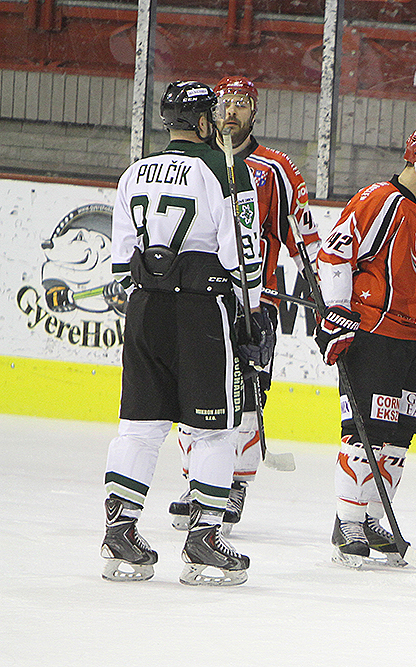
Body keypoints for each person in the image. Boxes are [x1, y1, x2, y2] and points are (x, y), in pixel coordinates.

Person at [101, 80, 271, 586]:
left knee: (139, 426)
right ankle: (204, 539)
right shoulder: (226, 169)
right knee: (213, 429)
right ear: (202, 122)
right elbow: (244, 256)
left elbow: (121, 263)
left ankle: (119, 532)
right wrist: (250, 314)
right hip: (201, 315)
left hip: (144, 310)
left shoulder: (135, 172)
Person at [168, 75, 321, 535]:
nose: (232, 111)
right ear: (212, 111)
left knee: (248, 396)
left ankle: (234, 484)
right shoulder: (197, 163)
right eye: (226, 103)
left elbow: (303, 237)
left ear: (255, 111)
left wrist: (323, 298)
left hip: (254, 302)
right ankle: (198, 483)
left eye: (242, 103)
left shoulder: (276, 168)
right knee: (193, 392)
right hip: (199, 299)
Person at [314, 124, 416, 567]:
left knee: (400, 435)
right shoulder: (379, 200)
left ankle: (373, 519)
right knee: (366, 432)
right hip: (376, 336)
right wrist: (337, 311)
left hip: (414, 342)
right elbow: (334, 254)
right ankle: (348, 522)